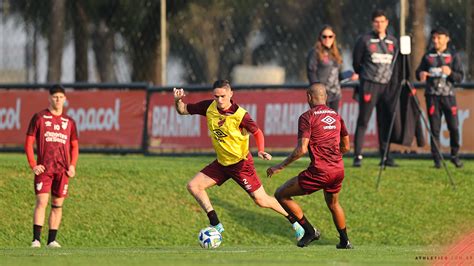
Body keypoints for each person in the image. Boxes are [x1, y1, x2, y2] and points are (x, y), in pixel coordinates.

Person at [173, 80, 304, 240]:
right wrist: (177, 100)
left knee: (261, 200)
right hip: (221, 164)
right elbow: (182, 110)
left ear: (230, 94)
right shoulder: (209, 107)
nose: (219, 100)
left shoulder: (239, 114)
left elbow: (257, 132)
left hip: (241, 165)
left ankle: (296, 223)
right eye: (216, 96)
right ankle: (215, 223)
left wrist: (261, 149)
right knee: (194, 186)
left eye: (222, 96)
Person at [266, 83, 352, 248]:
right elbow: (346, 147)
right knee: (334, 204)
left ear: (308, 97)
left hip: (320, 171)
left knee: (281, 194)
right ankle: (345, 241)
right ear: (325, 97)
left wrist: (280, 166)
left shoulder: (307, 117)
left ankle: (310, 231)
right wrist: (333, 157)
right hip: (338, 170)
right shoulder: (336, 116)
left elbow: (301, 150)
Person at [25, 84, 79, 248]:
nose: (58, 100)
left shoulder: (69, 122)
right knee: (42, 201)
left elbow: (74, 146)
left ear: (65, 99)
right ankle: (36, 239)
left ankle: (52, 240)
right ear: (49, 98)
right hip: (44, 168)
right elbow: (28, 143)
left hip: (62, 170)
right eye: (55, 97)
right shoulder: (39, 118)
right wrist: (33, 164)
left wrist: (72, 165)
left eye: (61, 97)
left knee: (57, 205)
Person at [352, 9, 399, 167]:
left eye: (382, 21)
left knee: (384, 121)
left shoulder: (393, 41)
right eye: (376, 22)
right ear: (373, 23)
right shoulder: (364, 40)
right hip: (369, 85)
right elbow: (356, 63)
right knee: (363, 120)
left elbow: (396, 64)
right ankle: (358, 155)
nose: (379, 24)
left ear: (387, 23)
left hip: (387, 86)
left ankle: (385, 156)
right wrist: (365, 75)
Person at [416, 27, 464, 168]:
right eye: (434, 38)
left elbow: (460, 77)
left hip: (449, 97)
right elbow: (418, 71)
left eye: (439, 38)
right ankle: (437, 160)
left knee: (454, 127)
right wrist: (421, 75)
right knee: (435, 129)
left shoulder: (453, 56)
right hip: (432, 97)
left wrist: (450, 73)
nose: (436, 41)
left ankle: (454, 155)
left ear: (447, 39)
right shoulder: (427, 56)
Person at [306, 25, 358, 111]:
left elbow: (337, 76)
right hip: (321, 96)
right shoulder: (315, 52)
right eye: (324, 36)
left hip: (335, 94)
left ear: (334, 37)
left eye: (330, 36)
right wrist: (317, 91)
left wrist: (349, 75)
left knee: (333, 121)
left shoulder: (337, 52)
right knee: (321, 121)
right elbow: (311, 73)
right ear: (320, 38)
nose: (327, 39)